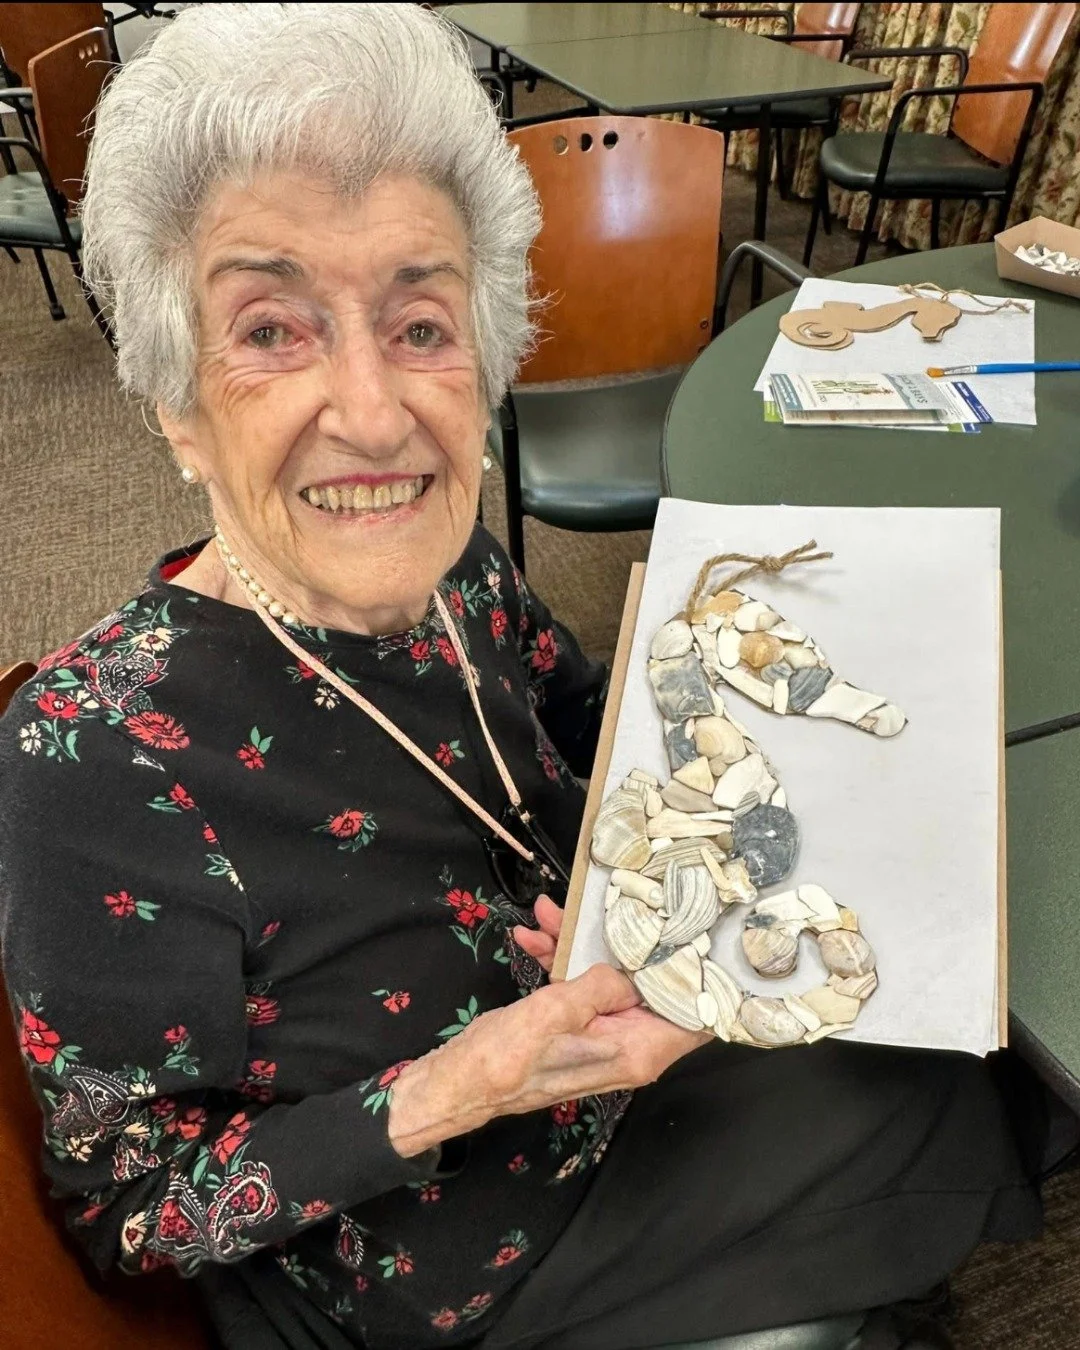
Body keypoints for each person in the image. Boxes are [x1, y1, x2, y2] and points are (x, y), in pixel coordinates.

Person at [0, 6, 1056, 1349]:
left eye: (421, 322)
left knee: (945, 993)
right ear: (175, 400)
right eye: (272, 329)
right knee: (923, 1075)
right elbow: (130, 1204)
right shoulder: (92, 753)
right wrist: (457, 1084)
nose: (376, 413)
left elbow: (587, 717)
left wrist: (751, 707)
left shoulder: (462, 571)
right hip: (436, 1250)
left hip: (607, 1034)